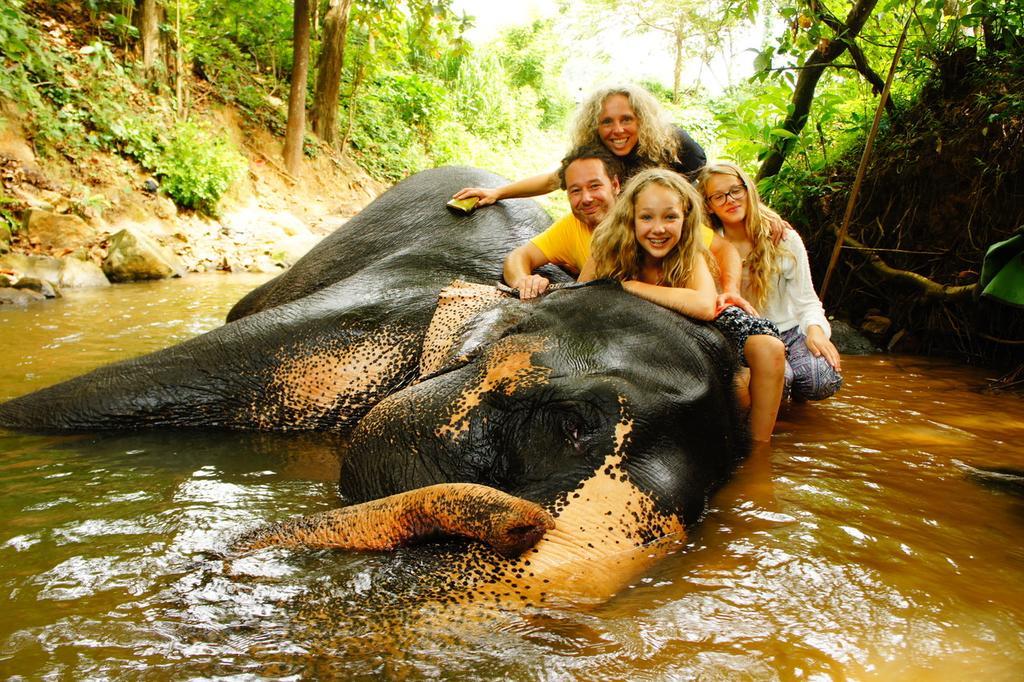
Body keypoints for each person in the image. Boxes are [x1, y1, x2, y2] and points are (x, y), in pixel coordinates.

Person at [579, 168, 786, 442]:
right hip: (645, 334)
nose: (658, 229)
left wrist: (631, 287)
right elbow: (580, 297)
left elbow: (703, 306)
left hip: (696, 326)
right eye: (646, 217)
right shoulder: (608, 248)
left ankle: (760, 449)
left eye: (670, 217)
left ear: (685, 219)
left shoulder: (689, 252)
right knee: (736, 394)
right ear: (631, 218)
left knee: (769, 347)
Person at [504, 144, 752, 313]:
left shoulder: (663, 223)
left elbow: (724, 251)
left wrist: (730, 292)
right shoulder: (577, 229)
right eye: (576, 190)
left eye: (594, 186)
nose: (587, 198)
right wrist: (523, 281)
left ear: (615, 185)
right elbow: (522, 259)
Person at [696, 162, 842, 402]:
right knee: (778, 379)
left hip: (788, 331)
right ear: (709, 206)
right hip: (744, 335)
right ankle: (777, 400)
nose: (730, 200)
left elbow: (807, 301)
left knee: (821, 378)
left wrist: (816, 331)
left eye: (735, 190)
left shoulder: (782, 237)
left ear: (748, 189)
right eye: (718, 197)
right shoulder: (707, 244)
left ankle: (792, 399)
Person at [454, 83, 706, 209]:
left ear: (642, 120)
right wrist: (497, 193)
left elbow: (706, 190)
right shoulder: (597, 153)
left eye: (626, 119)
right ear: (595, 126)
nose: (617, 130)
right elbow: (554, 180)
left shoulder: (676, 143)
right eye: (607, 122)